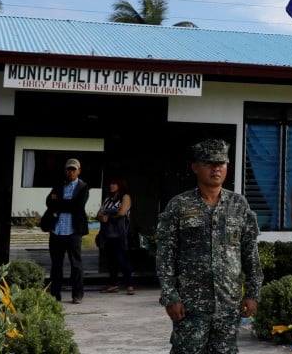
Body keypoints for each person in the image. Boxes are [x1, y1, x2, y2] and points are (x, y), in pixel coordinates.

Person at [156, 139, 263, 354]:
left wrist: (252, 293)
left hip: (227, 305)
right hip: (190, 307)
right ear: (195, 167)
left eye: (221, 164)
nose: (216, 168)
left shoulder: (239, 205)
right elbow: (165, 255)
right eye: (209, 163)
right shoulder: (179, 205)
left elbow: (250, 253)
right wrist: (170, 296)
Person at [43, 158, 90, 304]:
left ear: (79, 171)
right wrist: (62, 203)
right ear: (65, 170)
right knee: (56, 265)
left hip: (73, 232)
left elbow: (77, 206)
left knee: (76, 265)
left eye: (73, 169)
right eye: (68, 169)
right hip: (57, 231)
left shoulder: (83, 187)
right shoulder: (59, 185)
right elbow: (49, 202)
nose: (70, 172)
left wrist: (59, 202)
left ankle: (77, 294)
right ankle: (55, 295)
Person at [97, 177, 134, 294]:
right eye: (111, 184)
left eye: (114, 184)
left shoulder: (125, 197)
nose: (111, 186)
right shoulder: (107, 199)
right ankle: (113, 284)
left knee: (121, 259)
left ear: (120, 185)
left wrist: (108, 216)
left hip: (120, 233)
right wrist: (102, 217)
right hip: (108, 234)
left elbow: (122, 212)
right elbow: (99, 213)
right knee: (111, 260)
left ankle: (130, 284)